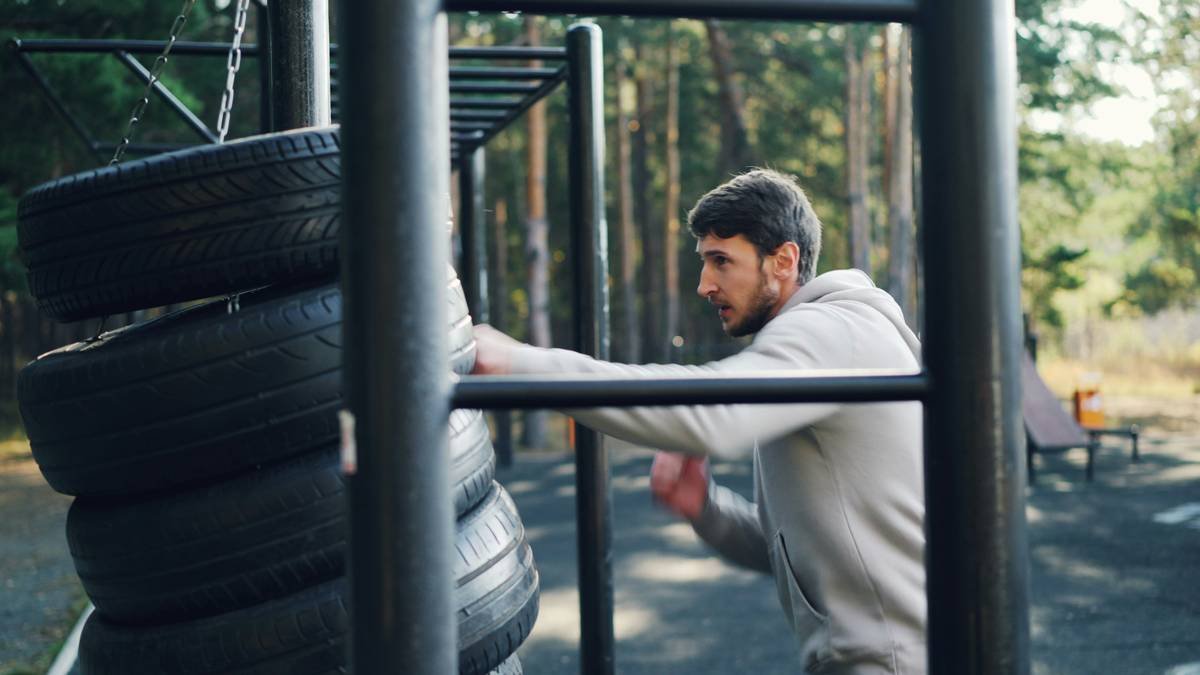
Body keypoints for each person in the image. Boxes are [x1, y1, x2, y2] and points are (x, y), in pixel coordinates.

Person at [471, 169, 926, 674]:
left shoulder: (829, 330)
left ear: (783, 260)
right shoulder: (821, 342)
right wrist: (707, 510)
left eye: (721, 261)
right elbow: (799, 550)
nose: (704, 284)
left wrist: (520, 363)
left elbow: (710, 413)